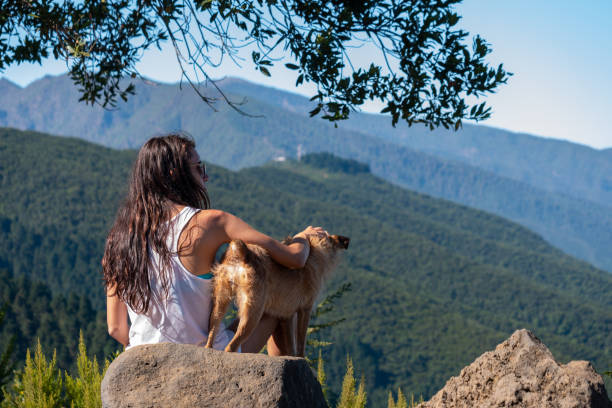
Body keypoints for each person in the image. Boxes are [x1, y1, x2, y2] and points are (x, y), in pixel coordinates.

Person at [102, 133, 326, 355]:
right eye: (199, 167)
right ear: (175, 175)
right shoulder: (212, 222)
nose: (205, 176)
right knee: (280, 306)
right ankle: (284, 381)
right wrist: (304, 237)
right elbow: (294, 258)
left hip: (143, 355)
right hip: (205, 356)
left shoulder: (119, 238)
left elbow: (116, 328)